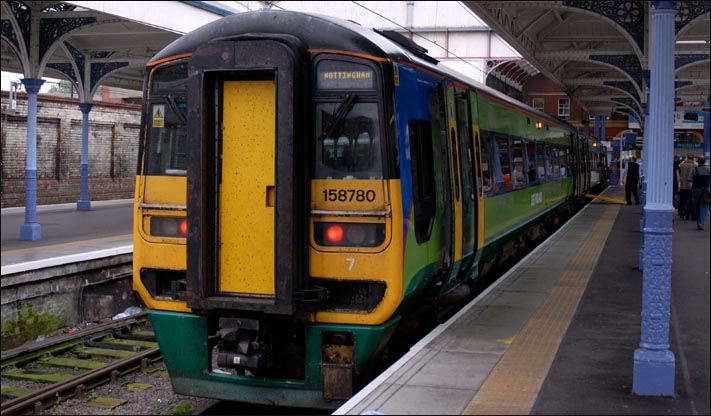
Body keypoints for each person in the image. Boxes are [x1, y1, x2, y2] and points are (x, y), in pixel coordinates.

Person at [688, 156, 710, 230]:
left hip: (696, 189)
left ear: (698, 161)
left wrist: (692, 189)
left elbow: (690, 180)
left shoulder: (694, 170)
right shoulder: (708, 169)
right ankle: (701, 223)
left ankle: (698, 221)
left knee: (696, 206)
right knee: (704, 206)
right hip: (706, 190)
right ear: (704, 162)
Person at [678, 154, 696, 220]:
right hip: (691, 185)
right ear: (693, 158)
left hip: (683, 185)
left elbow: (679, 174)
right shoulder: (694, 166)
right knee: (690, 200)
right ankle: (688, 213)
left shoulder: (681, 165)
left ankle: (682, 211)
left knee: (683, 199)